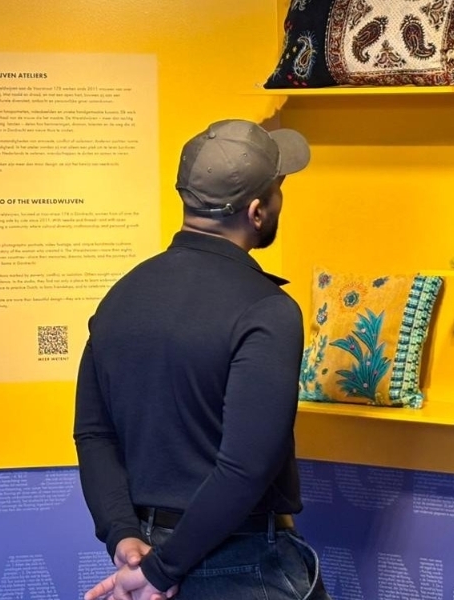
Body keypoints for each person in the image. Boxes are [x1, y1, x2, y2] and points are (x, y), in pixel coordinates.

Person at [74, 119, 330, 600]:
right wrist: (161, 571)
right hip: (239, 564)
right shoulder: (267, 309)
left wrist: (123, 536)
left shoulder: (120, 298)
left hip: (147, 552)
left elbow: (94, 434)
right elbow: (245, 467)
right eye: (278, 190)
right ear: (257, 211)